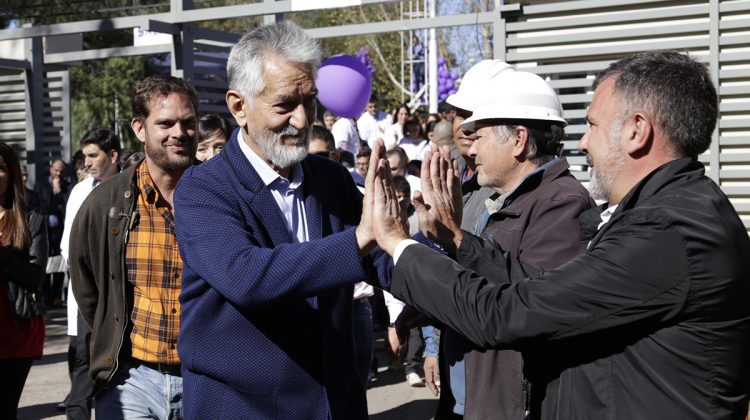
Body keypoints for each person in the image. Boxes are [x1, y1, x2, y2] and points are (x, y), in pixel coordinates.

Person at [372, 50, 750, 419]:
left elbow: (510, 312)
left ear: (637, 131)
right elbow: (540, 284)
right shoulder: (668, 213)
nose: (582, 143)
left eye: (593, 125)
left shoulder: (667, 230)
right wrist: (458, 241)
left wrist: (399, 245)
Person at [173, 21, 391, 419]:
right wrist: (360, 239)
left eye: (309, 102)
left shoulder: (329, 179)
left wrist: (433, 263)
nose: (303, 120)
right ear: (239, 107)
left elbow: (382, 252)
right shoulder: (202, 189)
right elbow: (245, 275)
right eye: (285, 105)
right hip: (244, 410)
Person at [70, 75, 199, 419]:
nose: (179, 133)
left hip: (206, 380)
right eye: (166, 123)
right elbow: (86, 283)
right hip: (130, 383)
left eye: (188, 123)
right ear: (140, 128)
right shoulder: (105, 203)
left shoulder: (219, 196)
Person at [60, 128, 122, 420]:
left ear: (113, 155)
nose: (86, 162)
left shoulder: (130, 186)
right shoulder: (80, 192)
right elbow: (67, 248)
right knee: (83, 363)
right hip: (87, 295)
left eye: (93, 155)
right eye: (84, 156)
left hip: (122, 294)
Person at [0, 141, 47, 420]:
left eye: (1, 168)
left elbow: (35, 276)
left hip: (16, 330)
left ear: (12, 174)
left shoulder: (31, 217)